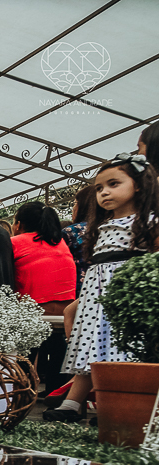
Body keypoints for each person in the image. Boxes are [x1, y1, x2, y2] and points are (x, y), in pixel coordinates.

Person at [46, 153, 159, 422]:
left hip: (126, 300)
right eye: (99, 188)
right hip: (95, 299)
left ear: (138, 185)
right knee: (92, 348)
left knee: (123, 351)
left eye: (113, 184)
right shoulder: (100, 226)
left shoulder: (149, 222)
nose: (104, 192)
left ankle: (120, 407)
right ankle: (72, 403)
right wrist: (82, 301)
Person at [11, 202, 77, 394]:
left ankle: (21, 392)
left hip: (36, 311)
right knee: (56, 344)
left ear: (19, 224)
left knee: (26, 348)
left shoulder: (16, 242)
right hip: (66, 313)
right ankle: (55, 392)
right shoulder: (59, 242)